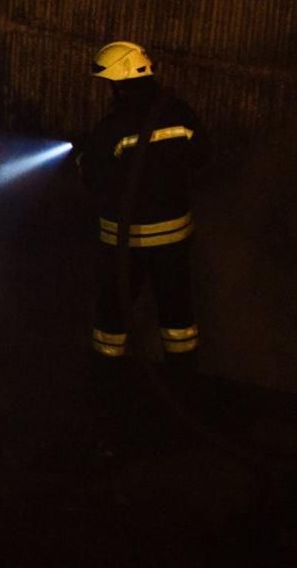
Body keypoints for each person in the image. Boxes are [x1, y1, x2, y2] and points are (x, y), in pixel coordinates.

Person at [77, 40, 207, 364]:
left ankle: (105, 379)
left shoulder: (114, 128)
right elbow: (204, 158)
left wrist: (83, 157)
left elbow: (93, 177)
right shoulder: (180, 112)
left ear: (119, 86)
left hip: (127, 241)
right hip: (175, 237)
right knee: (178, 314)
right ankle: (185, 380)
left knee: (114, 311)